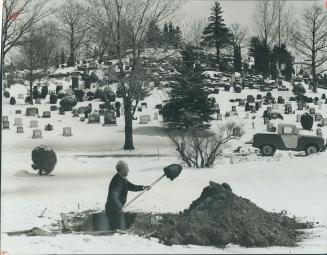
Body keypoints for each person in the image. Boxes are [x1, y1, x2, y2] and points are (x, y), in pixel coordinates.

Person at [105, 160, 150, 230]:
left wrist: (143, 187)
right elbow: (113, 196)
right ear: (122, 170)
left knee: (123, 226)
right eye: (127, 169)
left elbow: (131, 186)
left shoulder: (122, 179)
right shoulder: (117, 181)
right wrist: (119, 207)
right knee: (117, 229)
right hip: (113, 210)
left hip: (117, 209)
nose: (128, 170)